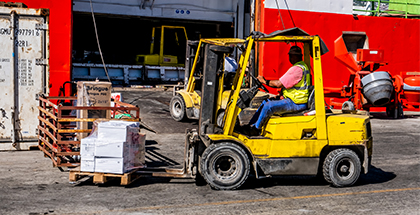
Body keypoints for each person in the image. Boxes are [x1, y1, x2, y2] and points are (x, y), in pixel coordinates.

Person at [245, 46, 311, 135]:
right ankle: (251, 125)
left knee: (269, 106)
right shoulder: (303, 66)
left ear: (295, 56)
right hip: (296, 99)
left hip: (296, 102)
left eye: (291, 56)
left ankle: (256, 129)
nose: (290, 58)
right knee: (265, 101)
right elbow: (291, 85)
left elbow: (278, 84)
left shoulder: (297, 69)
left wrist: (264, 81)